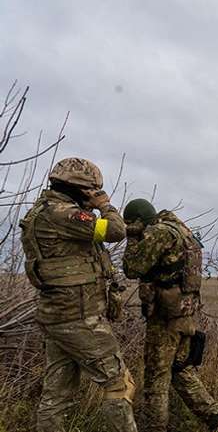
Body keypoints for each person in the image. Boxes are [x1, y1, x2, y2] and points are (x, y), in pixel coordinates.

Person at [20, 157, 137, 432]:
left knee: (56, 393)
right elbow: (116, 230)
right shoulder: (65, 214)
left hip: (57, 315)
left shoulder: (43, 212)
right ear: (83, 189)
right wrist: (104, 204)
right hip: (78, 317)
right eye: (92, 191)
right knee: (119, 383)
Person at [121, 198, 218, 432]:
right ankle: (217, 421)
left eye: (132, 224)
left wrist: (132, 237)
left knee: (155, 381)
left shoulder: (160, 233)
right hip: (185, 316)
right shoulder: (182, 231)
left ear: (138, 221)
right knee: (180, 370)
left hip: (165, 319)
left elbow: (132, 268)